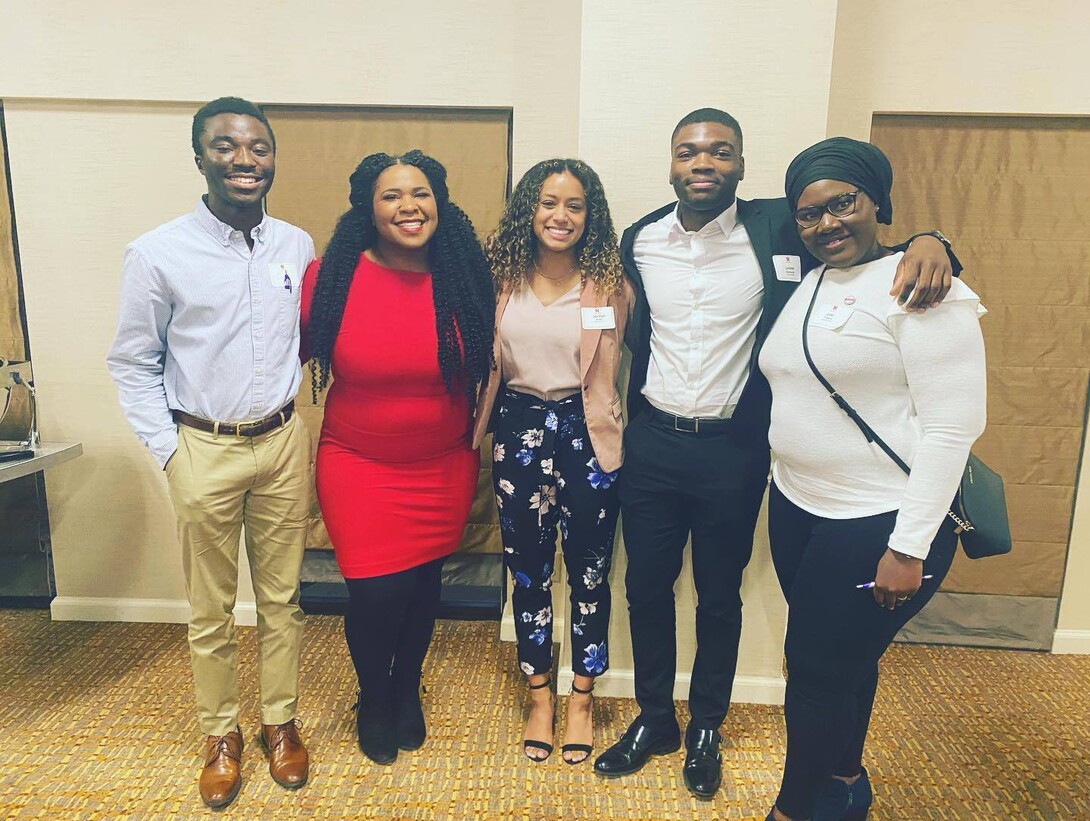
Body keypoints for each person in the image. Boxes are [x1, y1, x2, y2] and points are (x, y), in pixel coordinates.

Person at [593, 108, 960, 799]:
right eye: (688, 151)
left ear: (740, 164)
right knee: (644, 587)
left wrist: (933, 240)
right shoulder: (640, 237)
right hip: (653, 441)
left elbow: (858, 238)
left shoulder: (777, 227)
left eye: (720, 151)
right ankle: (653, 717)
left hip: (733, 448)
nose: (703, 162)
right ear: (671, 163)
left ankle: (705, 724)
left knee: (719, 594)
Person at [759, 137, 986, 821]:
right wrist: (932, 234)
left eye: (843, 203)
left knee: (815, 673)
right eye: (809, 214)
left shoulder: (924, 290)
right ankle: (844, 783)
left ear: (875, 201)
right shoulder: (808, 277)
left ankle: (794, 809)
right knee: (839, 660)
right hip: (799, 507)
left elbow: (952, 428)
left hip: (879, 523)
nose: (827, 223)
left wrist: (908, 545)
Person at [107, 97, 313, 809]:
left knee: (284, 598)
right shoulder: (158, 252)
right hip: (203, 445)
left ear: (273, 157)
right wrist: (170, 453)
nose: (244, 159)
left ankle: (279, 723)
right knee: (211, 608)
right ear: (200, 157)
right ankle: (220, 734)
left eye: (257, 146)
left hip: (284, 441)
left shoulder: (297, 244)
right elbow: (132, 362)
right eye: (226, 146)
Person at [300, 150, 494, 766]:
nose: (409, 206)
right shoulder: (328, 278)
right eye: (391, 195)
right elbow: (273, 352)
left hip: (443, 464)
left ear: (441, 202)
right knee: (376, 595)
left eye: (421, 193)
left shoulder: (465, 276)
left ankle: (407, 688)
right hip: (358, 464)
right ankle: (375, 696)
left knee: (422, 588)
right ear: (368, 208)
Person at [474, 159, 634, 764]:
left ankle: (582, 700)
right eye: (548, 202)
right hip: (518, 427)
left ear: (590, 215)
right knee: (528, 569)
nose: (559, 216)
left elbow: (628, 362)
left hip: (586, 432)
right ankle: (539, 693)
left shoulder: (611, 283)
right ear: (529, 210)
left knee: (591, 571)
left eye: (574, 205)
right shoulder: (502, 277)